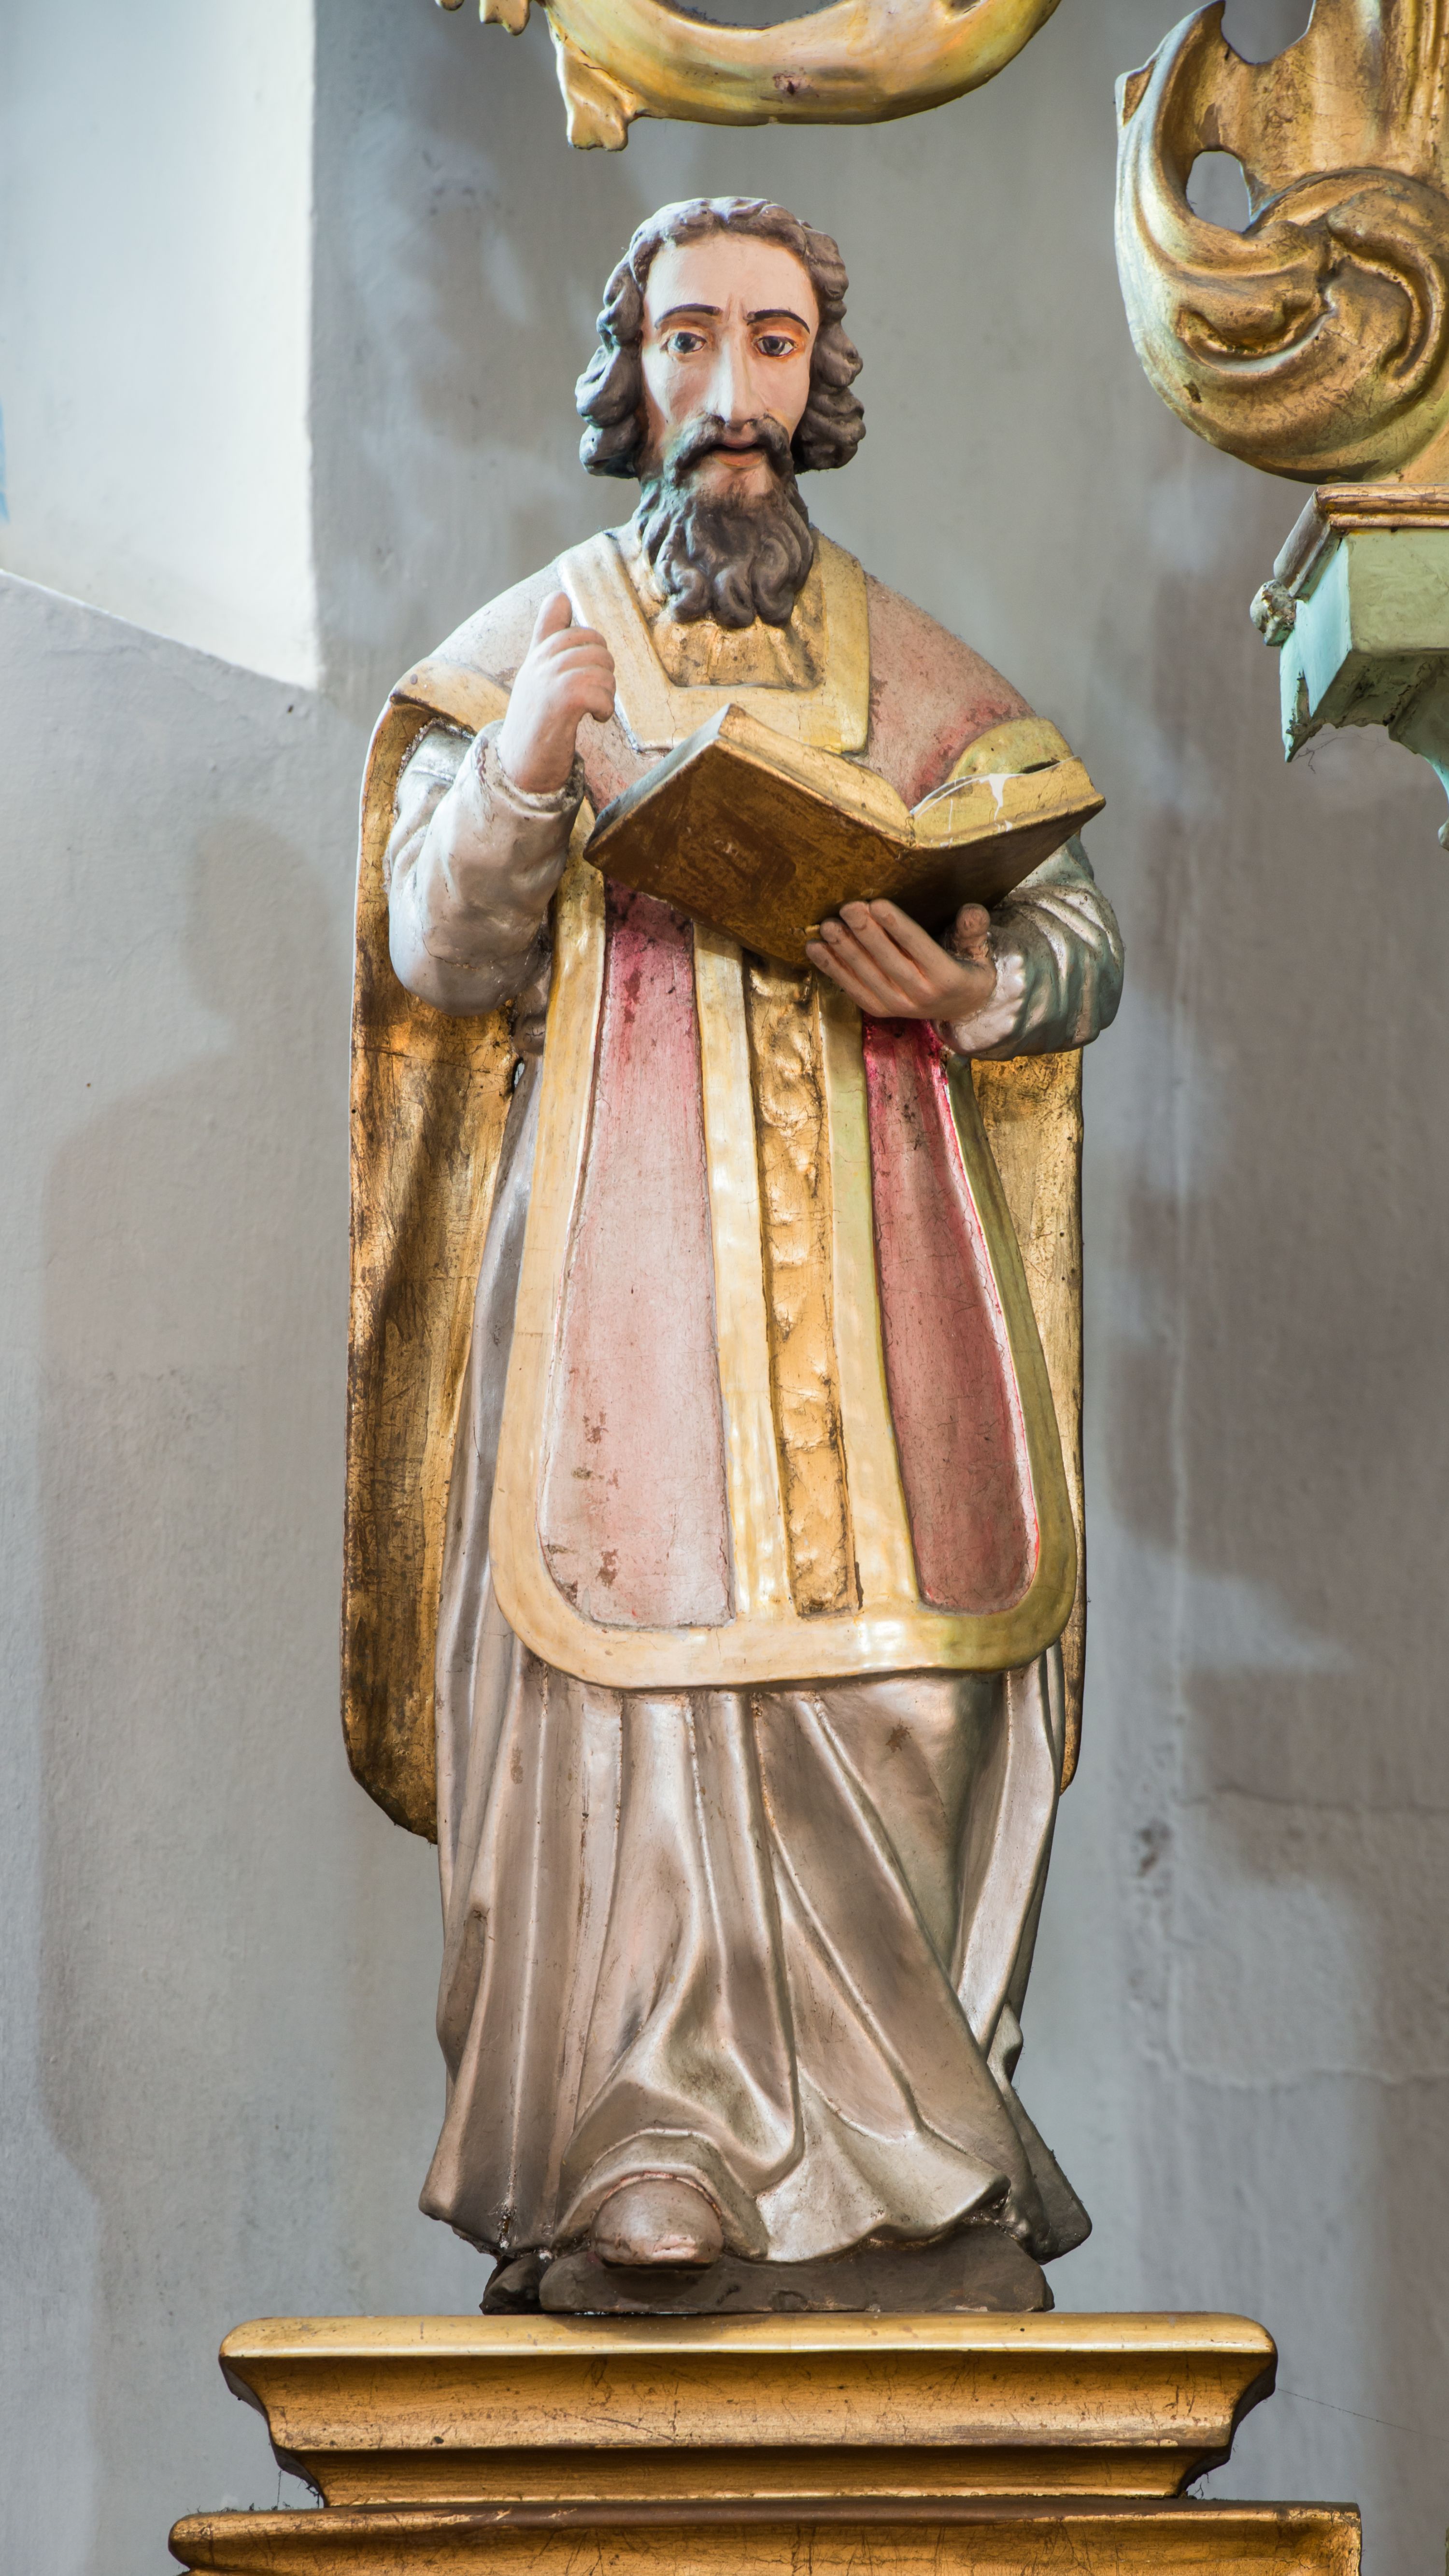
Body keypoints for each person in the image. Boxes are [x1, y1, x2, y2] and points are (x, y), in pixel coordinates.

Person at [365, 196, 1122, 2312]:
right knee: (627, 1686)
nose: (732, 392)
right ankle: (647, 2151)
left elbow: (1076, 926)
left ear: (819, 383)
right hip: (622, 1267)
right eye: (688, 340)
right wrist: (533, 757)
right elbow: (437, 944)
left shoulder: (915, 667)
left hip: (884, 1267)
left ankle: (916, 2159)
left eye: (772, 345)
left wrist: (980, 988)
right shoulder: (536, 642)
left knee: (903, 1677)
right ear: (630, 376)